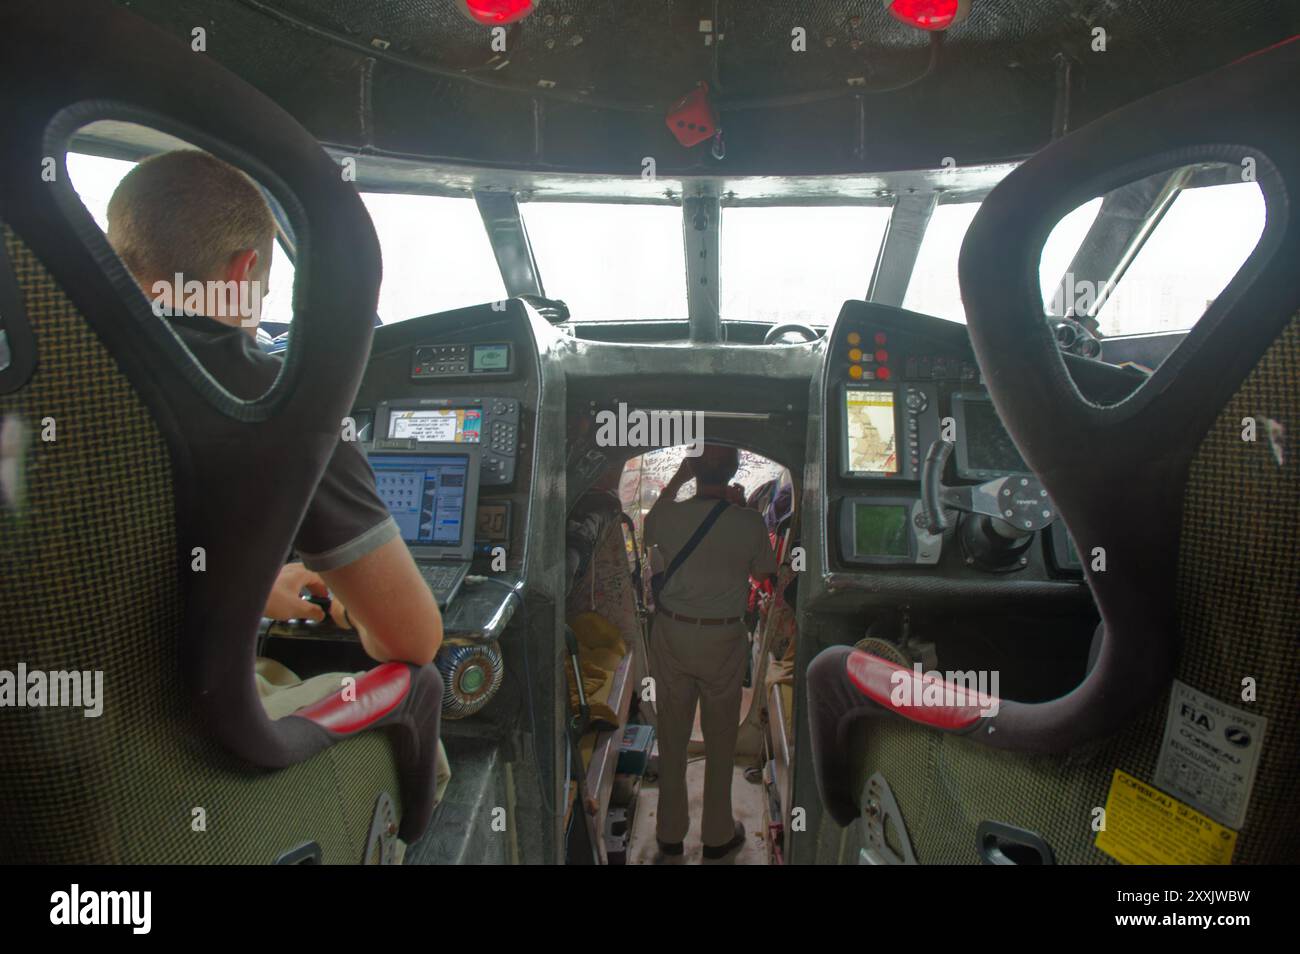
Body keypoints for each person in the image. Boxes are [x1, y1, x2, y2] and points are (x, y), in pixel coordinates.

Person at [106, 149, 445, 726]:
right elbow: (410, 638)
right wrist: (350, 605)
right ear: (243, 272)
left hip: (40, 734)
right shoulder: (273, 393)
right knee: (422, 689)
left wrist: (252, 584)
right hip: (161, 748)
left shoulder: (51, 360)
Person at [643, 444, 777, 863]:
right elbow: (763, 574)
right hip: (722, 638)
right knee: (721, 739)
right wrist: (737, 514)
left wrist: (679, 480)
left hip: (673, 633)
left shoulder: (669, 515)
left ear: (693, 468)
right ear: (735, 471)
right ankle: (718, 835)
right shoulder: (751, 522)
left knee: (672, 735)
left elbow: (648, 530)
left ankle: (669, 834)